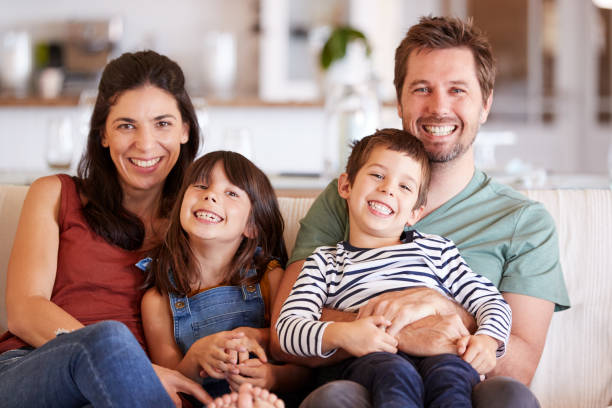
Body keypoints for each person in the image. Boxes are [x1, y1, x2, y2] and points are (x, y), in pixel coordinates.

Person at [270, 16, 570, 408]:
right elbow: (285, 334)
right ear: (399, 101)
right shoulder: (349, 198)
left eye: (458, 90)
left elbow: (518, 365)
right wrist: (397, 329)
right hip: (362, 382)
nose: (439, 107)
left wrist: (441, 307)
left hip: (464, 386)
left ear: (486, 103)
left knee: (511, 397)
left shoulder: (524, 223)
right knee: (336, 398)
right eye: (422, 89)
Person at [0, 50, 213, 407]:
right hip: (32, 368)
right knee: (110, 339)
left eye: (162, 123)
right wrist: (131, 366)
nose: (145, 144)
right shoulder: (54, 193)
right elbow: (24, 309)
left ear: (185, 131)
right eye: (126, 125)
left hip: (123, 397)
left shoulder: (202, 218)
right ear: (103, 134)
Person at [276, 129, 512, 407]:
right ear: (346, 186)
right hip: (371, 362)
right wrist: (344, 334)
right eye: (377, 175)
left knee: (453, 376)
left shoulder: (437, 251)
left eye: (405, 186)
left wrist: (487, 339)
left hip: (442, 356)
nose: (388, 188)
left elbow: (489, 301)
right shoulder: (324, 262)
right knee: (394, 372)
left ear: (415, 212)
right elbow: (288, 329)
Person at [142, 150, 308, 405]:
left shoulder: (271, 278)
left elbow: (305, 370)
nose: (210, 195)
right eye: (200, 185)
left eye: (231, 193)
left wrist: (273, 377)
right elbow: (168, 389)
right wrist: (195, 357)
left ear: (251, 226)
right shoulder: (157, 299)